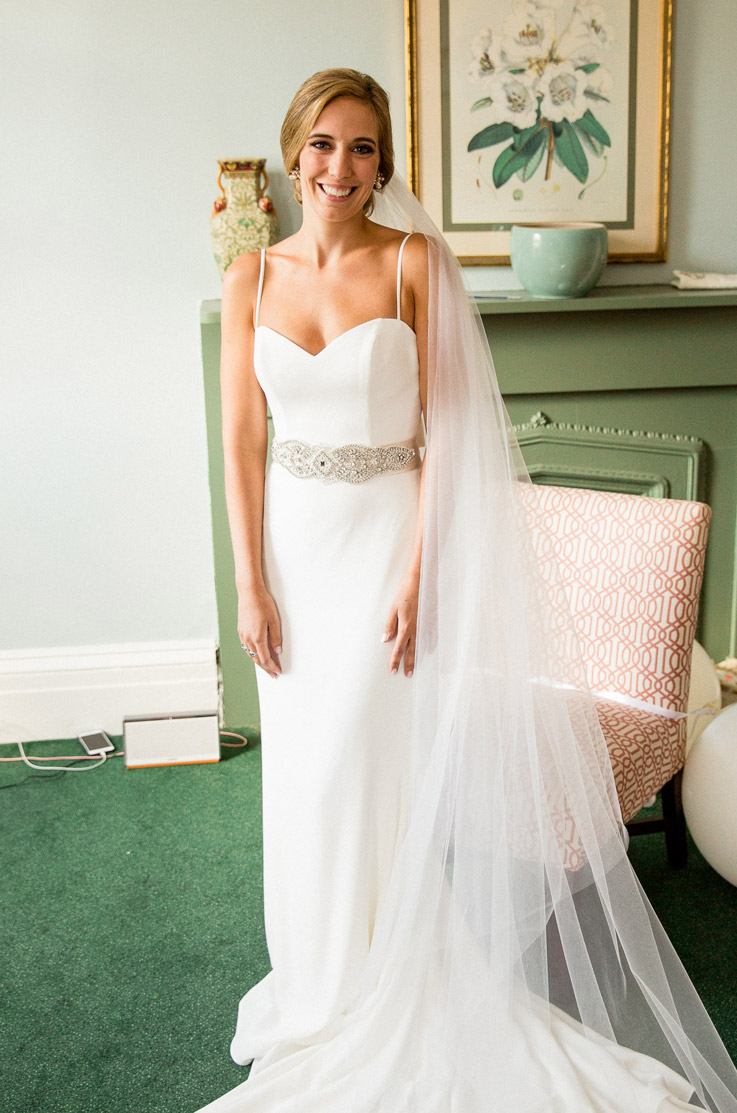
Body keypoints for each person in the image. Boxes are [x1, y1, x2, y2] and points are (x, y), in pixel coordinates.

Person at [197, 69, 737, 1113]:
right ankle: (318, 980)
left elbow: (447, 430)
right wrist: (248, 581)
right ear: (291, 152)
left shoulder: (415, 266)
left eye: (360, 148)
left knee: (367, 761)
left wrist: (416, 572)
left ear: (383, 163)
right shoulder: (248, 278)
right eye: (320, 144)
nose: (338, 168)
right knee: (304, 777)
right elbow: (238, 443)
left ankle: (389, 973)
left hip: (386, 550)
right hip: (294, 555)